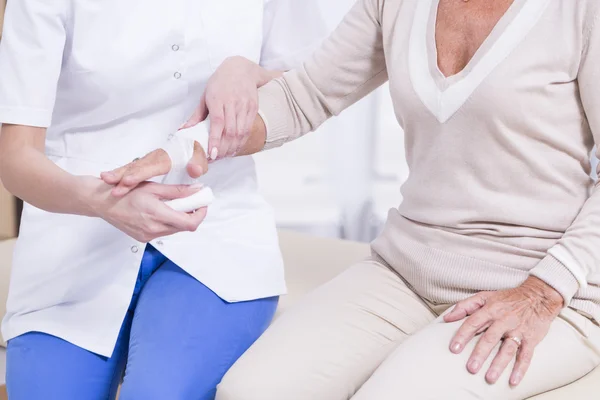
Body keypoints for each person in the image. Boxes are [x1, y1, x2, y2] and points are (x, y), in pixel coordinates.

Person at [111, 0, 600, 398]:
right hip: (407, 272)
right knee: (251, 392)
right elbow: (305, 96)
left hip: (546, 289)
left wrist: (543, 292)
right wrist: (183, 149)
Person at [0, 1, 331, 399]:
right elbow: (15, 156)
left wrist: (247, 71)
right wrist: (102, 201)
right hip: (74, 238)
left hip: (215, 239)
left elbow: (311, 86)